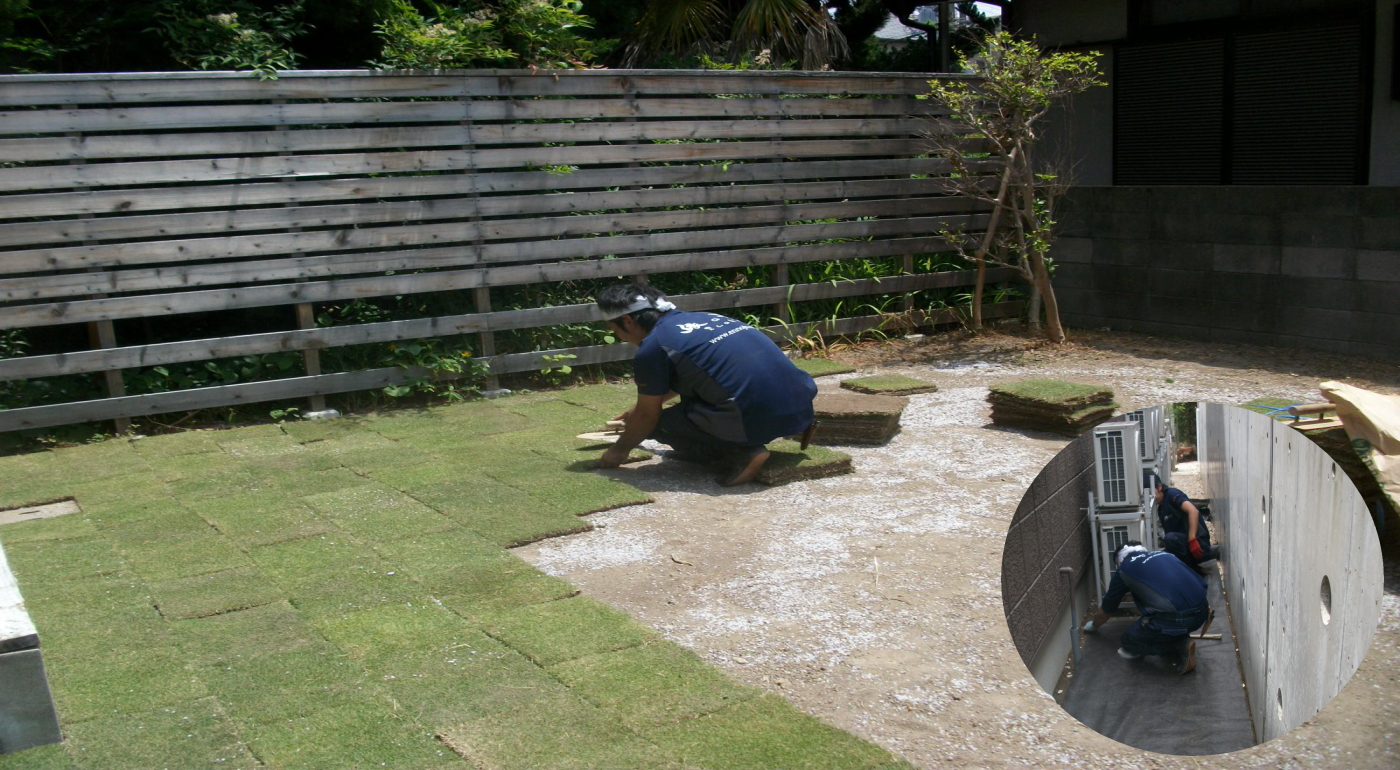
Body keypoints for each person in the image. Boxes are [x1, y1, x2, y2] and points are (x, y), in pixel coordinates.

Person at [594, 283, 818, 486]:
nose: (621, 337)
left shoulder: (653, 346)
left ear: (627, 321)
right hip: (801, 410)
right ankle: (791, 427)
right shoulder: (709, 318)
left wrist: (618, 451)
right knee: (695, 398)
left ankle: (741, 453)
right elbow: (701, 375)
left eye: (615, 331)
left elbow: (646, 417)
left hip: (756, 419)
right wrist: (642, 406)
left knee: (659, 424)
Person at [1082, 541, 1213, 674]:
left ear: (1120, 561)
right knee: (1171, 617)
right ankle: (1177, 635)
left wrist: (1093, 625)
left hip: (1177, 621)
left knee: (1129, 640)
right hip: (1203, 613)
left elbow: (1107, 609)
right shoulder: (1165, 555)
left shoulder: (1124, 569)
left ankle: (1178, 645)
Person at [1153, 476, 1217, 573]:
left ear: (1159, 487)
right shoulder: (1161, 509)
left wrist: (1192, 539)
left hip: (1198, 547)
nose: (1150, 497)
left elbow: (1193, 511)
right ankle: (1190, 569)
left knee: (1170, 538)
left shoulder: (1172, 494)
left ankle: (1191, 571)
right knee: (1159, 558)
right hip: (1186, 548)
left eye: (1150, 492)